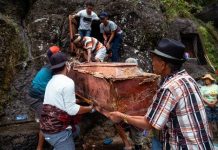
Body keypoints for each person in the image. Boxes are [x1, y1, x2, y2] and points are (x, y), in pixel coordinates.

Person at [104, 38, 214, 149]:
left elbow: (149, 124)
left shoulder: (169, 88)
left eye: (154, 59)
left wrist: (122, 116)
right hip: (204, 144)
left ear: (163, 64)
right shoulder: (188, 79)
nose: (152, 62)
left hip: (185, 146)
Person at [40, 52, 95, 150]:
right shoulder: (68, 82)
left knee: (76, 130)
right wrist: (90, 108)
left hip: (45, 128)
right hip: (56, 131)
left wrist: (76, 100)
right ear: (67, 65)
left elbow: (58, 102)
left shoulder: (51, 82)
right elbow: (72, 110)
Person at [28, 45, 60, 150]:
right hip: (37, 96)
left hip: (35, 92)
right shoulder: (53, 67)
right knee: (45, 119)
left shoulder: (48, 65)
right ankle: (40, 147)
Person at [200, 73, 218, 138]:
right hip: (207, 105)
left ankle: (216, 132)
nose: (206, 81)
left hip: (216, 105)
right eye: (205, 80)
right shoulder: (202, 88)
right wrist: (209, 103)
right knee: (209, 119)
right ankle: (211, 134)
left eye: (207, 79)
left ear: (211, 80)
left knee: (217, 119)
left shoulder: (216, 86)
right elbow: (201, 97)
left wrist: (215, 102)